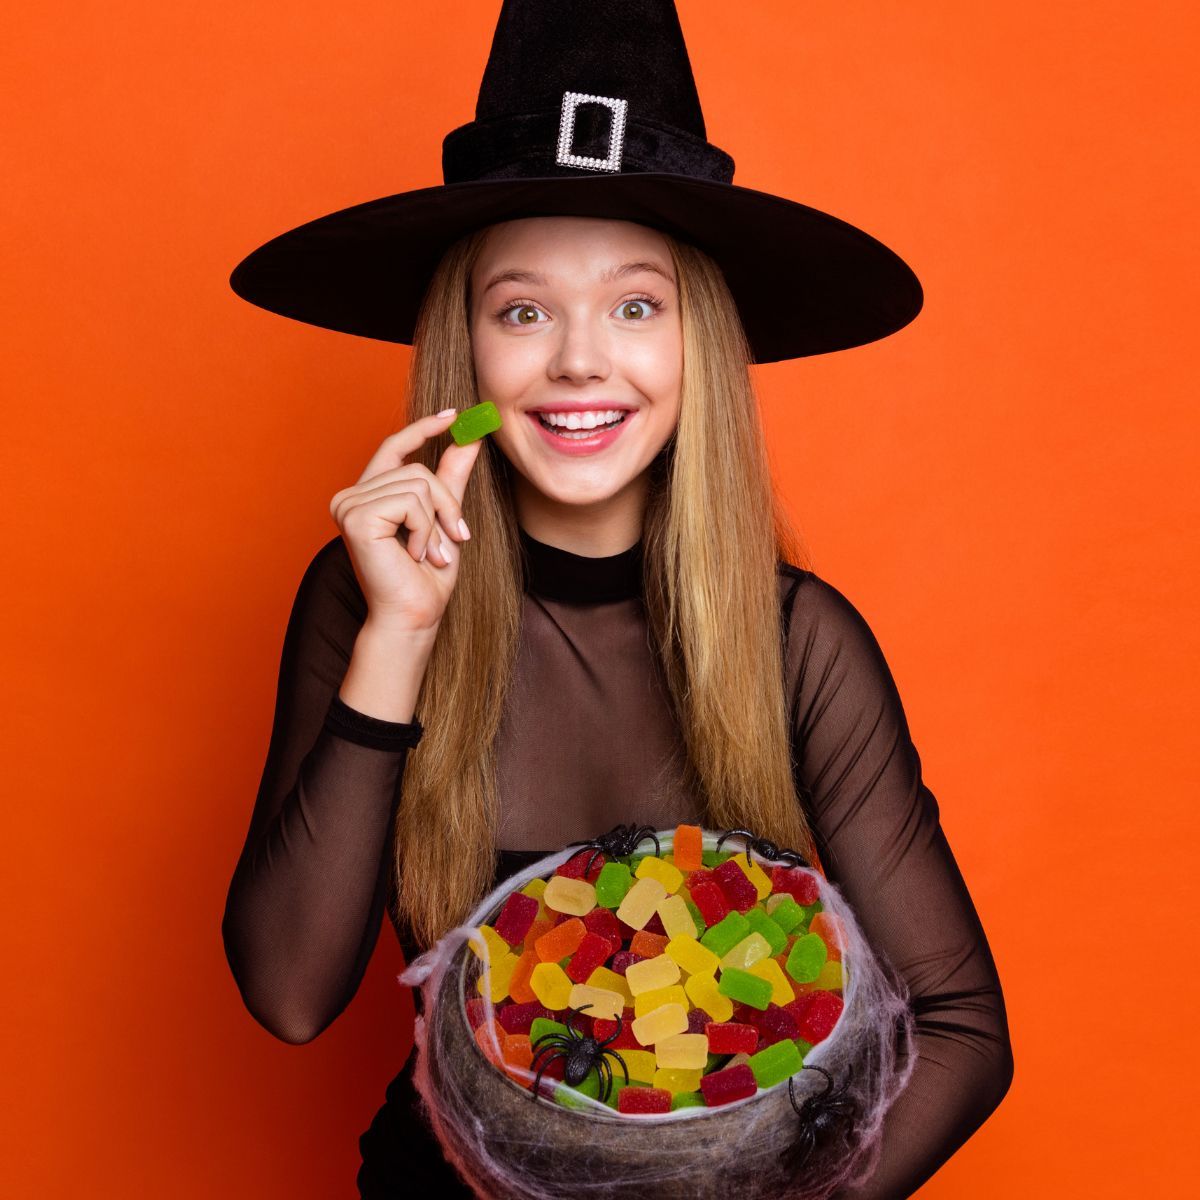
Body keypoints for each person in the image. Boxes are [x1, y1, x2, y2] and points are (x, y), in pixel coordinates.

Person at [221, 3, 1013, 1197]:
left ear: (700, 347)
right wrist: (401, 633)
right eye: (523, 310)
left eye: (636, 306)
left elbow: (961, 1025)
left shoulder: (801, 641)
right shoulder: (366, 598)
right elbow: (287, 998)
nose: (580, 359)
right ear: (468, 360)